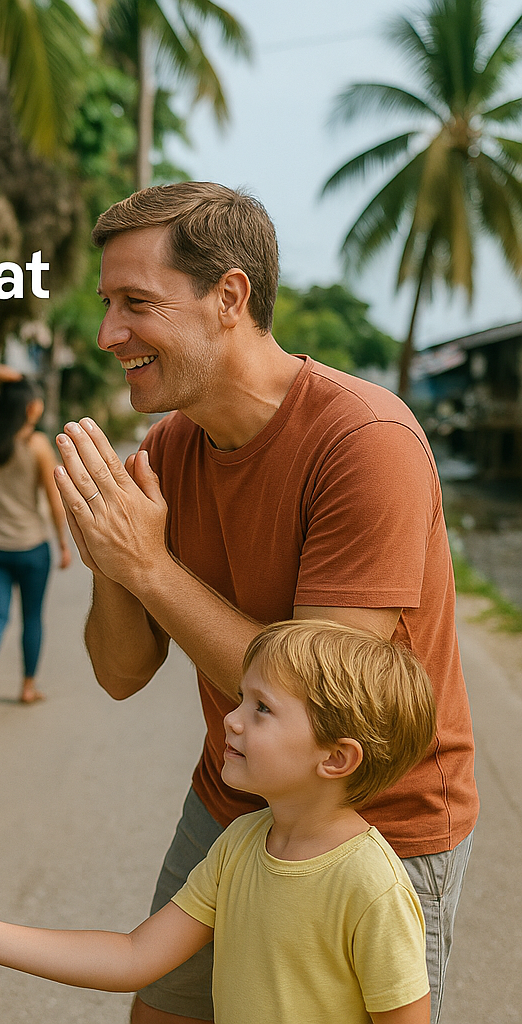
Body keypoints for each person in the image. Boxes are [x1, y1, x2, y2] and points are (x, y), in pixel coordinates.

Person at [50, 183, 478, 1024]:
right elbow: (122, 673)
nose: (108, 335)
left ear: (229, 298)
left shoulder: (366, 444)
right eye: (107, 305)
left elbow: (317, 705)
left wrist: (149, 562)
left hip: (374, 821)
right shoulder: (170, 449)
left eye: (136, 303)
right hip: (234, 800)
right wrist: (111, 552)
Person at [0, 620, 437, 1024]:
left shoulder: (370, 886)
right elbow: (134, 957)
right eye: (240, 699)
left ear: (336, 758)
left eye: (261, 708)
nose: (232, 719)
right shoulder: (241, 844)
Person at [0, 367, 71, 715]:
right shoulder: (37, 446)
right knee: (32, 618)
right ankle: (27, 687)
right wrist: (64, 544)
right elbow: (55, 500)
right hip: (31, 548)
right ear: (29, 409)